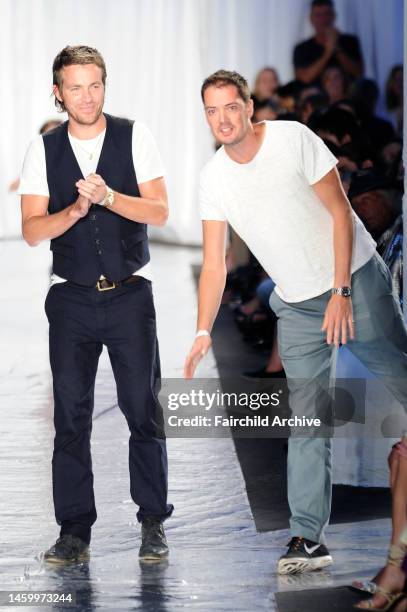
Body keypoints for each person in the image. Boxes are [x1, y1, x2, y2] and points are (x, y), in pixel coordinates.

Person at [184, 69, 407, 575]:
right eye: (211, 111)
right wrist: (202, 329)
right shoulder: (213, 178)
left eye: (230, 107)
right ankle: (308, 538)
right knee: (308, 422)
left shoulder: (292, 138)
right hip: (297, 304)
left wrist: (342, 292)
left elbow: (338, 212)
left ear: (248, 107)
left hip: (354, 279)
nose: (222, 119)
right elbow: (216, 263)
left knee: (400, 375)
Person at [19, 45, 173, 563]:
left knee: (142, 411)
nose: (87, 96)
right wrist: (76, 209)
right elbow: (32, 230)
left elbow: (159, 208)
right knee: (71, 417)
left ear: (105, 85)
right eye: (75, 87)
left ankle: (153, 522)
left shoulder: (135, 135)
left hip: (130, 296)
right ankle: (74, 531)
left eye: (95, 85)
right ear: (57, 93)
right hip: (71, 301)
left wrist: (108, 199)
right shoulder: (42, 150)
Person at [293, 0, 364, 85]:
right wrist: (328, 53)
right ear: (311, 19)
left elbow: (359, 72)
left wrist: (337, 48)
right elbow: (303, 79)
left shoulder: (349, 42)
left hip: (347, 97)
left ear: (333, 16)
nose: (323, 20)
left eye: (327, 14)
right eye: (318, 15)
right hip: (315, 97)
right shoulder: (301, 48)